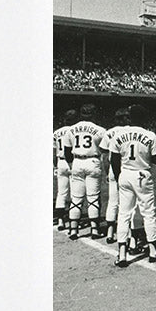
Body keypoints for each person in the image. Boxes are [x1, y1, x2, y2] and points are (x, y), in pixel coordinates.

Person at [108, 103, 156, 268]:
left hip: (125, 174)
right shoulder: (149, 135)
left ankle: (122, 253)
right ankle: (153, 251)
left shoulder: (119, 134)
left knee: (124, 214)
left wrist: (119, 177)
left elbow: (114, 160)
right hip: (141, 174)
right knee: (148, 213)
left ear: (129, 118)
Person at [64, 104, 108, 239]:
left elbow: (67, 153)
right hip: (93, 161)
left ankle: (73, 230)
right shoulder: (100, 130)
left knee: (76, 198)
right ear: (93, 114)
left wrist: (73, 164)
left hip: (77, 161)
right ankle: (94, 229)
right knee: (93, 197)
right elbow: (105, 151)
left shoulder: (70, 130)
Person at [100, 106, 130, 244]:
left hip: (113, 168)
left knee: (113, 202)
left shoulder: (109, 133)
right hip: (128, 169)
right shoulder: (131, 130)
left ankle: (110, 233)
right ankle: (129, 235)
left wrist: (108, 173)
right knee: (129, 204)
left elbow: (105, 157)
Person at [53, 108, 77, 229]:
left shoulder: (56, 132)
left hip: (60, 162)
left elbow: (53, 152)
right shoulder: (74, 131)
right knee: (74, 193)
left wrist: (55, 165)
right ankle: (73, 222)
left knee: (61, 193)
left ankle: (61, 220)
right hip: (72, 161)